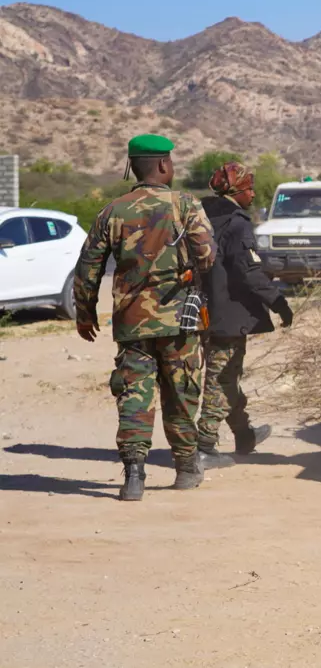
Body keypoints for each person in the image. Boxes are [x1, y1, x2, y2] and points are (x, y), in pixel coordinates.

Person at [72, 134, 216, 501]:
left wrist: (85, 314)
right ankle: (186, 468)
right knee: (182, 391)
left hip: (131, 321)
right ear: (164, 164)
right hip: (180, 320)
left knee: (135, 394)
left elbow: (88, 267)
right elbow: (207, 256)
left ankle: (134, 475)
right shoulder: (186, 205)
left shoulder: (112, 211)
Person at [196, 162, 293, 468]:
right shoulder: (237, 224)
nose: (253, 194)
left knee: (228, 373)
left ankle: (244, 435)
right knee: (221, 378)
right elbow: (248, 271)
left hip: (203, 311)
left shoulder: (202, 217)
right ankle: (205, 446)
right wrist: (278, 302)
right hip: (229, 314)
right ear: (235, 191)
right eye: (249, 188)